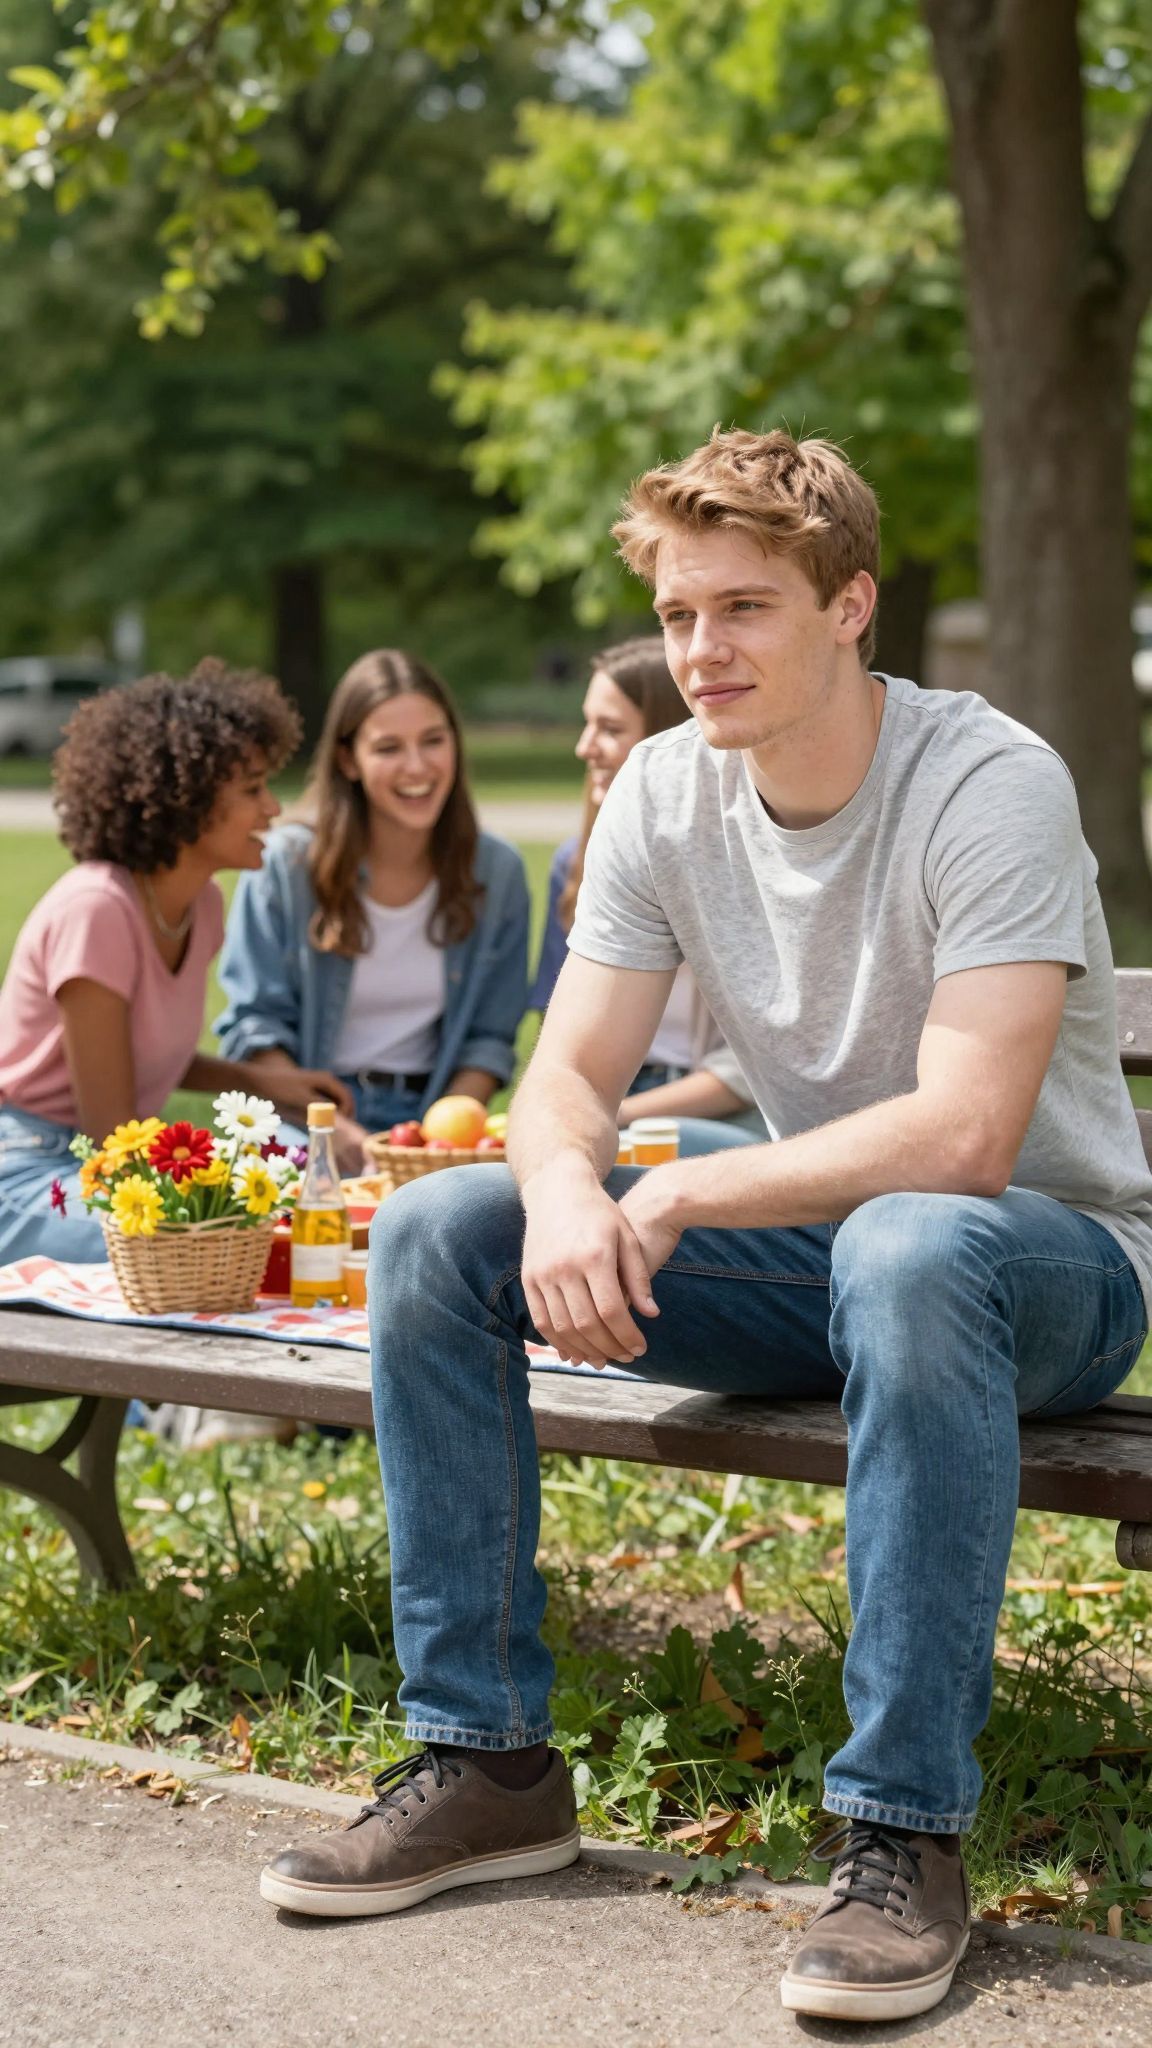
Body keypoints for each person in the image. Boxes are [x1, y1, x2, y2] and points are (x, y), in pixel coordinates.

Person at [260, 431, 1152, 2025]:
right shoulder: (671, 786)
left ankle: (900, 1837)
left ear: (852, 605)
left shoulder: (989, 780)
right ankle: (486, 1764)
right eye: (678, 615)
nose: (700, 651)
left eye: (744, 608)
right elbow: (567, 1083)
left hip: (1040, 1267)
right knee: (436, 1231)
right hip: (830, 1261)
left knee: (911, 1243)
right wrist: (554, 1194)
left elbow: (966, 1139)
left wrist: (663, 1190)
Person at [0, 659, 351, 1266]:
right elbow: (110, 1133)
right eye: (251, 789)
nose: (272, 808)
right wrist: (223, 1192)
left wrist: (266, 1084)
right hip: (36, 1171)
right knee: (222, 1236)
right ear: (183, 800)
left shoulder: (201, 905)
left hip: (107, 1168)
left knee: (299, 1169)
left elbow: (141, 1052)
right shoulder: (97, 910)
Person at [216, 649, 530, 1172]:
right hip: (304, 1123)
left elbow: (489, 1041)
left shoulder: (496, 873)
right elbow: (253, 1030)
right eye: (388, 747)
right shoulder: (285, 867)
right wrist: (340, 1136)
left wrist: (429, 1149)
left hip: (431, 1128)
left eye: (434, 740)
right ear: (347, 760)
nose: (418, 766)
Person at [532, 635, 763, 1155]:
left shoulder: (740, 864)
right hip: (611, 1098)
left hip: (719, 1116)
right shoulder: (574, 863)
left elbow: (745, 1074)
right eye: (587, 724)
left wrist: (616, 1114)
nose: (584, 746)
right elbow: (557, 1031)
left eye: (610, 729)